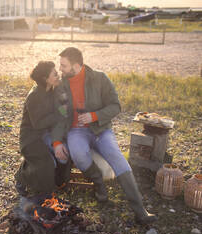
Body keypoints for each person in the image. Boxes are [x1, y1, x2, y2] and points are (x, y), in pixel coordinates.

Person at [52, 47, 156, 224]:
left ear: (76, 65)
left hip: (101, 129)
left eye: (63, 65)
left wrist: (94, 116)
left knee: (117, 157)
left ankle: (140, 210)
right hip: (76, 131)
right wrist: (56, 141)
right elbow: (60, 115)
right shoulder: (61, 85)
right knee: (78, 153)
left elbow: (115, 106)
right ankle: (98, 182)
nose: (60, 69)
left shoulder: (100, 78)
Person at [15, 61, 71, 197]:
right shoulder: (34, 96)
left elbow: (63, 112)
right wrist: (59, 113)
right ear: (46, 79)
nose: (58, 75)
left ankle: (58, 182)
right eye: (55, 74)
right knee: (48, 164)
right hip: (31, 138)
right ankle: (22, 176)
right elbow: (38, 124)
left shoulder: (52, 90)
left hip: (47, 134)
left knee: (64, 156)